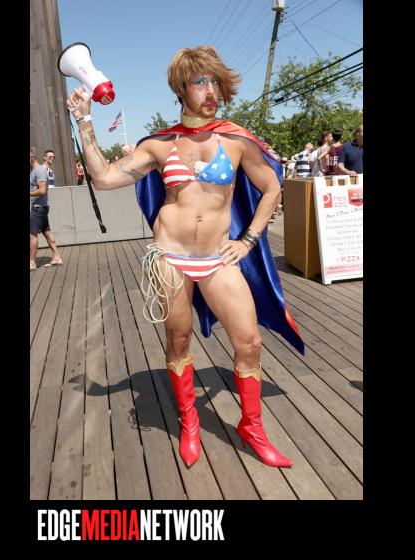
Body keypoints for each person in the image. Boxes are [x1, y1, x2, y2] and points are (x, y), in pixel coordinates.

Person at [67, 45, 304, 469]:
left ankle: (252, 427)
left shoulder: (236, 140)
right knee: (178, 340)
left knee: (249, 341)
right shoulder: (160, 146)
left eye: (215, 82)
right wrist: (85, 120)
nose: (211, 91)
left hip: (218, 258)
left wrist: (248, 240)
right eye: (200, 82)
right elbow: (102, 179)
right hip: (171, 258)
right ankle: (189, 420)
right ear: (181, 89)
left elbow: (272, 187)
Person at [30, 147, 63, 270]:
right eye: (50, 157)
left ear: (31, 157)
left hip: (38, 207)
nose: (52, 158)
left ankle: (32, 262)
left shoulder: (39, 170)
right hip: (42, 206)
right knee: (47, 232)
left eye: (53, 157)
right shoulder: (37, 170)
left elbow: (42, 190)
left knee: (32, 235)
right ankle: (57, 257)